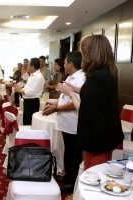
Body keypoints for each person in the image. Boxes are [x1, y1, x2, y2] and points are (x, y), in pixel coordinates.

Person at [57, 35, 124, 170]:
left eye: (83, 52)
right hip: (106, 134)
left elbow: (83, 110)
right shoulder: (107, 73)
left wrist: (70, 93)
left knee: (94, 173)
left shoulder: (96, 77)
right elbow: (92, 95)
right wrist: (74, 88)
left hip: (97, 137)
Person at [43, 51, 85, 192]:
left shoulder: (80, 78)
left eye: (65, 61)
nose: (64, 64)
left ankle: (71, 183)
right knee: (69, 151)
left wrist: (56, 108)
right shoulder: (72, 77)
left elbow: (75, 103)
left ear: (71, 63)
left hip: (73, 123)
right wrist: (55, 105)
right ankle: (69, 178)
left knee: (73, 154)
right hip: (67, 123)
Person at [14, 58, 45, 125]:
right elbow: (27, 87)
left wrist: (20, 90)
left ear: (33, 66)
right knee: (26, 122)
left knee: (30, 123)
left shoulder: (38, 77)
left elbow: (31, 92)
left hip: (33, 102)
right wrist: (20, 89)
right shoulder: (31, 75)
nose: (26, 66)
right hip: (27, 101)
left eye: (28, 65)